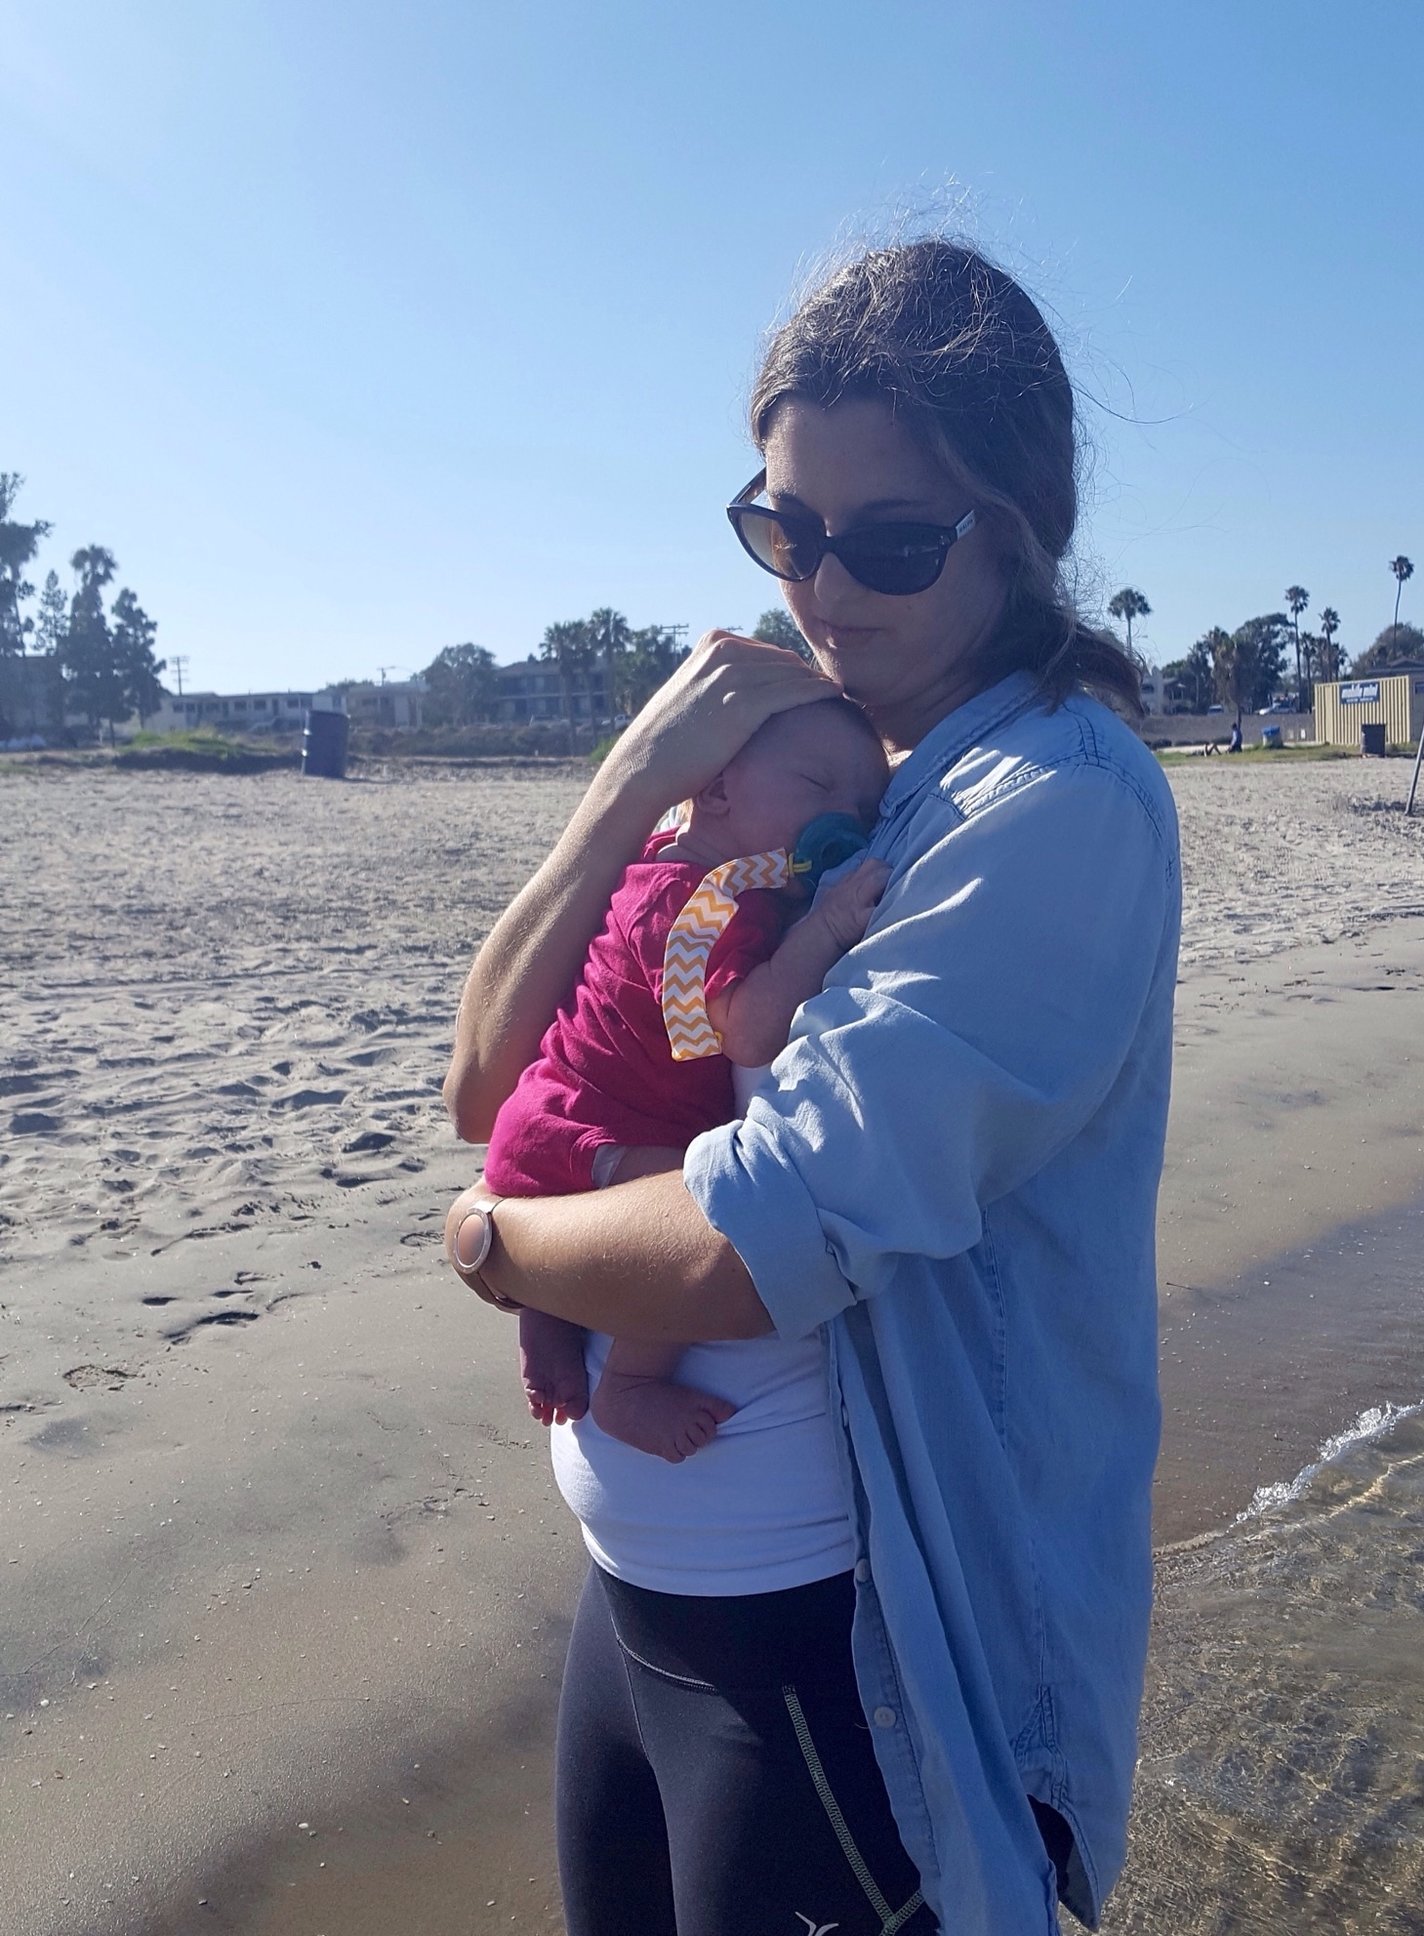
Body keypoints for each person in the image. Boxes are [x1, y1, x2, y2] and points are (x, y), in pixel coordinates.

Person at [443, 238, 1182, 1936]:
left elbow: (753, 1243)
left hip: (855, 1666)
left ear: (1019, 527)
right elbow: (487, 1075)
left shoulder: (1049, 806)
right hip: (639, 1610)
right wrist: (638, 772)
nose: (825, 593)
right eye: (788, 532)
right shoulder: (837, 783)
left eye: (890, 541)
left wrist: (493, 1246)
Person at [481, 697, 890, 1462]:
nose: (846, 816)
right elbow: (748, 1030)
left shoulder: (683, 867)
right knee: (703, 1215)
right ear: (718, 790)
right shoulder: (697, 904)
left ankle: (547, 1320)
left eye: (866, 808)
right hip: (584, 1133)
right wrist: (828, 925)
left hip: (546, 1127)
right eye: (817, 785)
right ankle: (629, 1383)